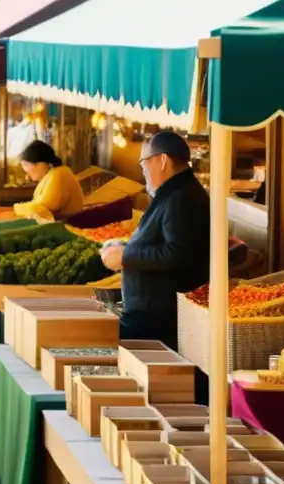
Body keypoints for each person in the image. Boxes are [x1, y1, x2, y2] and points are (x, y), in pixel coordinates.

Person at [100, 131, 209, 350]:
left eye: (144, 164)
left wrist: (126, 255)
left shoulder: (182, 197)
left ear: (162, 161)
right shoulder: (174, 192)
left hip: (158, 319)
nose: (144, 172)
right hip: (148, 314)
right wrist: (126, 247)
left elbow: (176, 253)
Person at [13, 140, 85, 221]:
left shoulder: (59, 174)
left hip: (69, 226)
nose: (27, 177)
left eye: (29, 172)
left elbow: (41, 211)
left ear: (41, 164)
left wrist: (17, 208)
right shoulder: (52, 174)